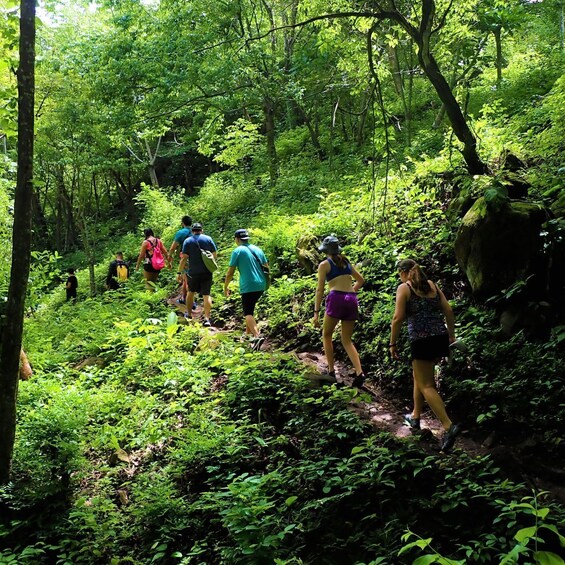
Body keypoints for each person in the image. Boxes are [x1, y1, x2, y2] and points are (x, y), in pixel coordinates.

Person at [390, 259, 461, 452]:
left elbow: (397, 318)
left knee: (427, 385)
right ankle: (415, 416)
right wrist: (451, 336)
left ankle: (448, 426)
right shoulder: (432, 286)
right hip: (439, 338)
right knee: (419, 377)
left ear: (403, 273)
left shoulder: (405, 288)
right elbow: (448, 310)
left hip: (422, 341)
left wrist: (392, 343)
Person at [313, 235, 365, 386]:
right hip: (351, 299)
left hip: (336, 298)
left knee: (327, 334)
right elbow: (361, 280)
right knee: (347, 340)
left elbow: (319, 289)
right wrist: (351, 292)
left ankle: (330, 371)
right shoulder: (346, 261)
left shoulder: (325, 265)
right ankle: (359, 373)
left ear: (326, 251)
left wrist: (316, 313)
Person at [224, 229, 269, 350]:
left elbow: (230, 272)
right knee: (250, 310)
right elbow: (266, 267)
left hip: (248, 285)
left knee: (247, 313)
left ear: (237, 239)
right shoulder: (258, 249)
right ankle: (249, 338)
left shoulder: (237, 251)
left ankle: (256, 336)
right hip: (261, 284)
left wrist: (226, 285)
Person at [178, 223, 217, 327]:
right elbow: (214, 255)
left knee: (191, 292)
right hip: (207, 271)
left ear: (192, 231)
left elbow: (184, 258)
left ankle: (190, 315)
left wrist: (179, 272)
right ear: (202, 230)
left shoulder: (188, 241)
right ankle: (207, 318)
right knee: (206, 295)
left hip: (193, 272)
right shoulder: (208, 239)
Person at [168, 215, 193, 305]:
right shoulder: (195, 232)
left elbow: (173, 247)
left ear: (182, 223)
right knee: (187, 278)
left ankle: (188, 300)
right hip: (196, 258)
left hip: (185, 258)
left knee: (186, 279)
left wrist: (169, 257)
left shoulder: (181, 233)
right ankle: (185, 297)